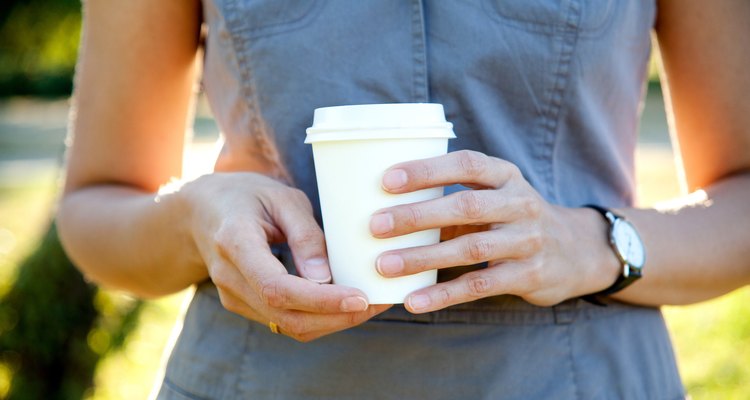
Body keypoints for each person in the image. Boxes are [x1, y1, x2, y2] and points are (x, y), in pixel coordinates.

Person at [57, 0, 750, 398]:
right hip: (260, 381)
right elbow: (97, 203)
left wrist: (595, 243)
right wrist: (193, 220)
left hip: (578, 381)